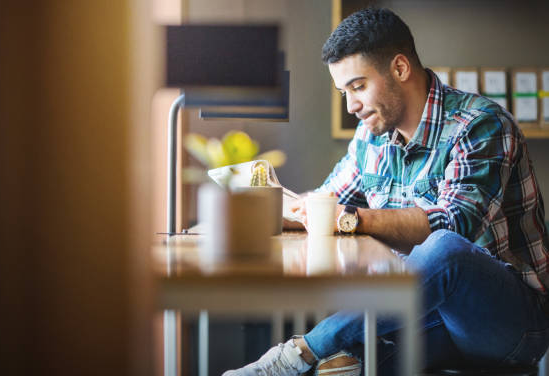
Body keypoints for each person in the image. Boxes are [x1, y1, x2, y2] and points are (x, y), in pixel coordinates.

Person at [223, 7, 549, 376]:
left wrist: (351, 218)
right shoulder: (370, 138)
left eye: (358, 86)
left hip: (509, 324)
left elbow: (455, 226)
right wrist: (269, 208)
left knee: (444, 247)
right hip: (425, 313)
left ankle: (300, 351)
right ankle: (308, 360)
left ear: (400, 68)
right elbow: (326, 201)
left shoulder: (481, 126)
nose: (351, 106)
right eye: (344, 91)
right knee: (344, 366)